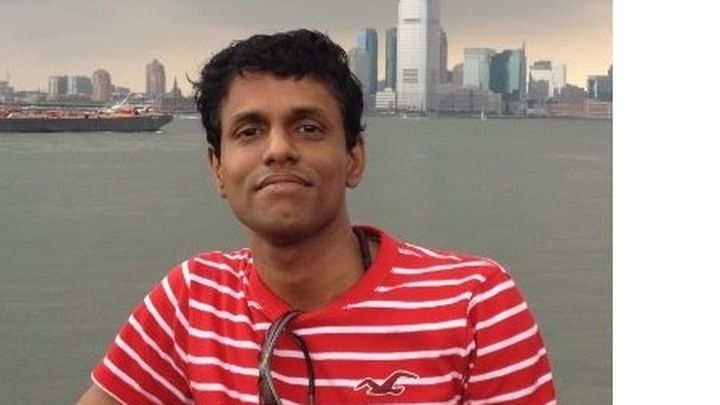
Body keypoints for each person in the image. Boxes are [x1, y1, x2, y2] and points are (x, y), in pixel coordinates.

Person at [76, 29, 556, 405]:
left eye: (308, 128)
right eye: (249, 131)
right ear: (218, 169)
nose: (278, 149)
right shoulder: (192, 300)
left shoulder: (474, 303)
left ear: (354, 159)